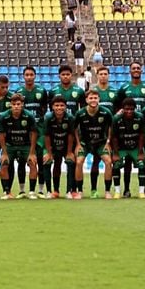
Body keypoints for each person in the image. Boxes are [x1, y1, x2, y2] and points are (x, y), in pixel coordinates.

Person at [49, 66, 86, 196]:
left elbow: (82, 111)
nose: (66, 76)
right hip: (57, 132)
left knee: (72, 161)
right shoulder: (53, 91)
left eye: (68, 74)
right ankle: (56, 190)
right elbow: (51, 110)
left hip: (74, 131)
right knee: (57, 162)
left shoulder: (79, 91)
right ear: (59, 76)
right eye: (63, 74)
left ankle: (72, 190)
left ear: (71, 75)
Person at [16, 67, 49, 199]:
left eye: (31, 75)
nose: (29, 77)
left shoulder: (41, 91)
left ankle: (40, 190)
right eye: (27, 75)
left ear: (35, 76)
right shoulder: (19, 92)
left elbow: (44, 108)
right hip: (24, 131)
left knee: (40, 160)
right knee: (22, 161)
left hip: (39, 130)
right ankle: (22, 190)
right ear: (23, 76)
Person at [74, 90, 113, 199]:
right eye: (91, 98)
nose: (93, 100)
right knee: (79, 162)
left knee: (108, 162)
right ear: (86, 100)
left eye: (95, 98)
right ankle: (80, 191)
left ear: (99, 99)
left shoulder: (106, 112)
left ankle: (107, 191)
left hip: (101, 143)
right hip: (85, 143)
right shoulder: (80, 113)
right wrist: (77, 144)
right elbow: (74, 129)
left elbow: (111, 127)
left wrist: (108, 142)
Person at [0, 94, 37, 200]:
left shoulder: (29, 116)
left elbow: (33, 133)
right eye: (14, 104)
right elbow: (1, 135)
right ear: (10, 105)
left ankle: (32, 192)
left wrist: (32, 152)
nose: (16, 106)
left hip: (25, 145)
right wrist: (4, 152)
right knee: (4, 164)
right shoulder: (4, 116)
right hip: (10, 145)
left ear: (22, 105)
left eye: (18, 104)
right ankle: (7, 192)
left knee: (32, 163)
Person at [111, 98, 145, 198]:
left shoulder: (140, 117)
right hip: (121, 148)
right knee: (116, 165)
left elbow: (141, 135)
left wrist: (140, 152)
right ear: (122, 109)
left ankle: (141, 191)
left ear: (135, 109)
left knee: (141, 164)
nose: (129, 111)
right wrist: (115, 153)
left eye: (131, 109)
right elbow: (114, 137)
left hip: (135, 147)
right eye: (127, 109)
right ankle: (117, 191)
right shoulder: (116, 119)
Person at [43, 96, 76, 199]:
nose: (59, 108)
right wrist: (49, 153)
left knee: (70, 162)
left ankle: (69, 191)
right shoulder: (48, 118)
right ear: (52, 107)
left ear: (65, 107)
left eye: (62, 105)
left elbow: (71, 135)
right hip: (53, 145)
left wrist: (69, 152)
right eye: (56, 105)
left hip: (67, 145)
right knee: (49, 162)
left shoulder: (70, 118)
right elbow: (47, 136)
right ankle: (51, 191)